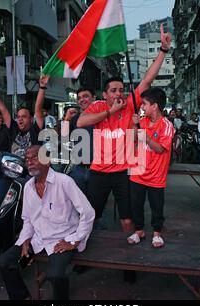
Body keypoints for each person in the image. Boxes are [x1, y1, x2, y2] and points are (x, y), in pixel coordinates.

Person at [77, 24, 172, 233]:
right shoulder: (98, 107)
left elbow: (147, 79)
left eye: (121, 89)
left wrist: (163, 50)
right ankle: (83, 256)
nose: (118, 93)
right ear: (105, 95)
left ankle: (129, 264)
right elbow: (81, 122)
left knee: (127, 221)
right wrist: (109, 113)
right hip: (98, 173)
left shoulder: (130, 105)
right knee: (90, 217)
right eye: (113, 91)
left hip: (123, 173)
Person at [0, 145, 95, 300]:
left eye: (34, 157)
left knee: (55, 276)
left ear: (47, 160)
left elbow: (88, 212)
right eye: (27, 159)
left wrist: (75, 240)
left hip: (61, 240)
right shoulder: (28, 187)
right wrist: (26, 240)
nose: (29, 162)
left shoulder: (64, 182)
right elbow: (28, 219)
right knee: (5, 263)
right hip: (37, 239)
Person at [127, 88, 174, 248]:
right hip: (137, 172)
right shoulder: (142, 121)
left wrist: (145, 136)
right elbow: (132, 138)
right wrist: (134, 125)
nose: (142, 108)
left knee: (156, 207)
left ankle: (157, 233)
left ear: (154, 106)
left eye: (145, 104)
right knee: (135, 205)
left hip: (156, 175)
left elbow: (160, 148)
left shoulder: (167, 125)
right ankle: (139, 231)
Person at [0, 75, 46, 157]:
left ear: (31, 119)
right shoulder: (14, 129)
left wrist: (42, 87)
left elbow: (38, 109)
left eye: (24, 116)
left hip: (31, 168)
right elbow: (2, 108)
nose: (20, 119)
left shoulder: (36, 130)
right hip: (13, 168)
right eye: (18, 117)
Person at [61, 87, 96, 195]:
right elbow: (64, 140)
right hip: (78, 169)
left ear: (94, 98)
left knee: (96, 205)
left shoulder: (101, 116)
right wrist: (67, 119)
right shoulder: (75, 119)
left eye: (86, 96)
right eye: (79, 98)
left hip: (97, 170)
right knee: (78, 205)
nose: (82, 100)